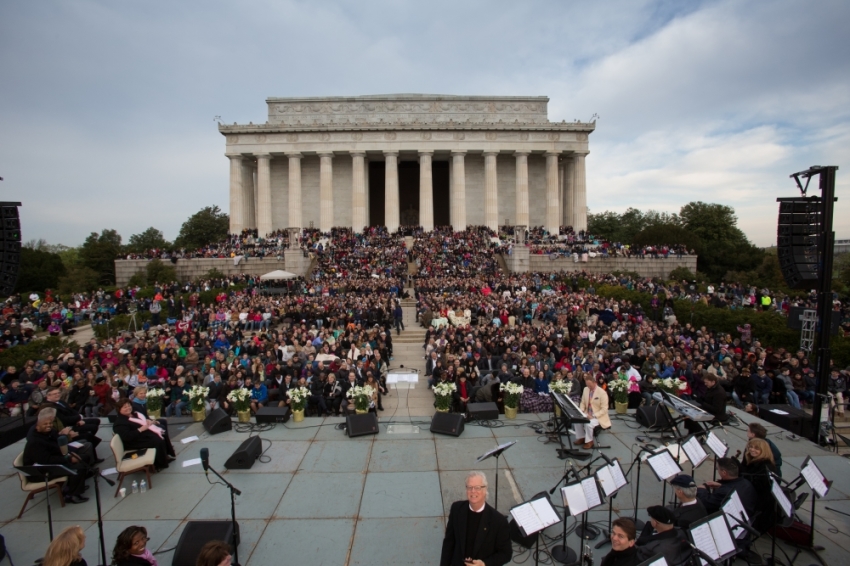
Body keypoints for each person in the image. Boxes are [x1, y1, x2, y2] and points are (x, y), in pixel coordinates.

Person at [440, 470, 512, 566]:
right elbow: (449, 543)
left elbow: (506, 554)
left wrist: (485, 564)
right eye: (469, 487)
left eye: (477, 487)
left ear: (485, 489)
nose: (473, 491)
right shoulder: (456, 509)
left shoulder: (498, 521)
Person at [23, 408, 89, 503]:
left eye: (50, 423)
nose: (48, 425)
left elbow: (59, 446)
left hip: (51, 462)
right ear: (37, 427)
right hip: (39, 471)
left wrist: (70, 453)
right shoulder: (34, 442)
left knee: (84, 457)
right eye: (45, 424)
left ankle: (75, 484)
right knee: (78, 468)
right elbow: (46, 460)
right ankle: (71, 495)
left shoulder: (50, 432)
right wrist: (69, 459)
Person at [112, 398, 175, 471]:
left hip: (140, 434)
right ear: (119, 409)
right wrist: (140, 429)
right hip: (133, 441)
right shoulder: (120, 423)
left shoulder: (134, 414)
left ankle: (165, 455)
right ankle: (159, 464)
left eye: (129, 406)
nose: (128, 408)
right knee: (157, 439)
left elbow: (142, 420)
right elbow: (127, 437)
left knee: (161, 431)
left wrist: (147, 421)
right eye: (125, 407)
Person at [738, 438, 778, 532]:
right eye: (751, 447)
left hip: (759, 503)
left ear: (763, 451)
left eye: (756, 448)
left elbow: (753, 485)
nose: (752, 449)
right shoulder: (752, 460)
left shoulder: (765, 466)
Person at [574, 374, 611, 449]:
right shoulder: (585, 389)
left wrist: (593, 416)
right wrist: (581, 410)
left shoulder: (602, 393)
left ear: (595, 383)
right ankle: (582, 437)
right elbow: (583, 402)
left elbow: (604, 409)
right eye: (587, 385)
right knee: (576, 420)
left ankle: (589, 441)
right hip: (587, 413)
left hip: (598, 416)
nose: (589, 387)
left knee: (589, 424)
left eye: (590, 385)